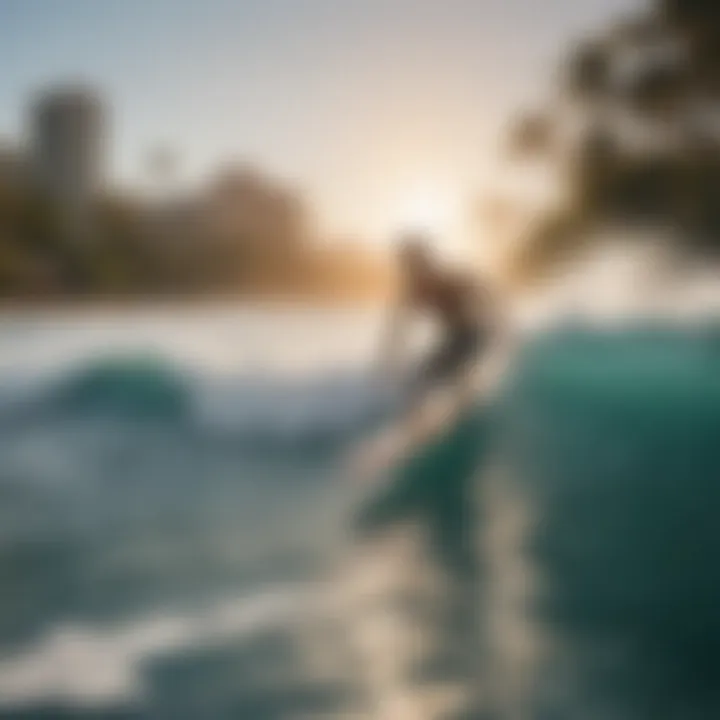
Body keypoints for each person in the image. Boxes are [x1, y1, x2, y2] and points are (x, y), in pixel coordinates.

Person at [379, 233, 496, 411]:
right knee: (423, 377)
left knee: (459, 374)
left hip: (476, 333)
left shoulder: (448, 278)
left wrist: (492, 319)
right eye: (410, 265)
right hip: (454, 337)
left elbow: (482, 290)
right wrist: (390, 358)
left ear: (427, 260)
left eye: (418, 262)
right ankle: (419, 413)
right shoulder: (415, 291)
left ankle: (467, 401)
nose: (415, 269)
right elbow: (399, 327)